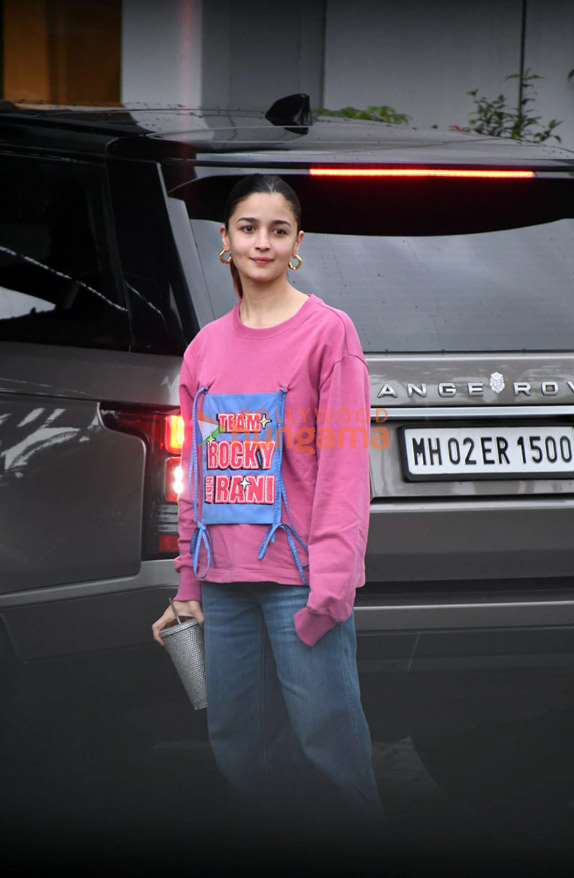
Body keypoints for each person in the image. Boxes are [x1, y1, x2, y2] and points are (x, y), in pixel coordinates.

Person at [152, 174, 385, 853]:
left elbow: (345, 468)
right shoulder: (204, 348)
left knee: (329, 751)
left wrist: (331, 586)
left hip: (299, 585)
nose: (262, 242)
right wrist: (188, 584)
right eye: (248, 228)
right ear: (224, 241)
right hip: (223, 588)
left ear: (296, 243)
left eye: (277, 230)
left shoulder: (329, 333)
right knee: (240, 751)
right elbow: (196, 475)